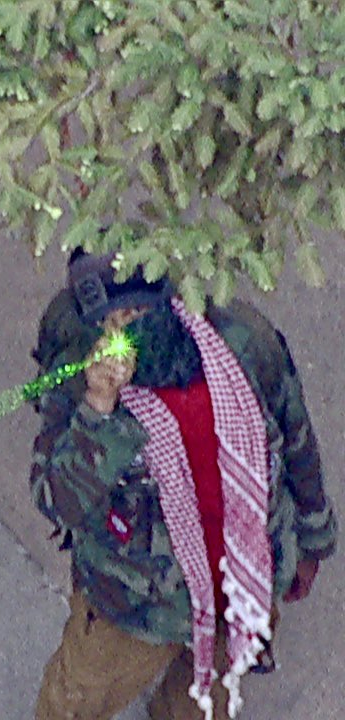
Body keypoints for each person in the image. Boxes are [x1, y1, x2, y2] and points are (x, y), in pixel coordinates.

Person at [29, 246, 338, 720]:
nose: (121, 332)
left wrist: (312, 539)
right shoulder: (76, 375)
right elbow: (55, 501)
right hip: (131, 608)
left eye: (134, 311)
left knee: (198, 708)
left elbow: (295, 436)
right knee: (75, 702)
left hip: (237, 586)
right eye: (107, 320)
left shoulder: (242, 343)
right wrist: (97, 411)